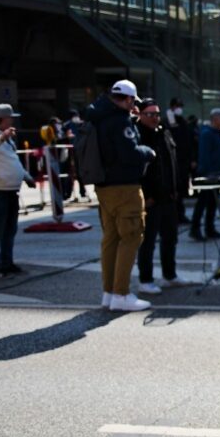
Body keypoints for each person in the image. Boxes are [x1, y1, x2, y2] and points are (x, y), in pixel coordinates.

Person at [86, 80, 156, 311]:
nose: (133, 106)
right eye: (132, 101)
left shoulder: (100, 115)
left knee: (111, 239)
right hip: (125, 186)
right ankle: (121, 294)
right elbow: (129, 153)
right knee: (131, 237)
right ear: (127, 99)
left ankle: (109, 292)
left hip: (104, 186)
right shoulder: (119, 121)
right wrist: (148, 152)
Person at [135, 98, 185, 294]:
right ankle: (145, 279)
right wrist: (145, 197)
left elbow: (172, 161)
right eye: (150, 114)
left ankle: (169, 274)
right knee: (147, 241)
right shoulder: (137, 135)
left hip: (168, 196)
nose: (155, 118)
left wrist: (176, 190)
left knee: (170, 238)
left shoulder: (163, 132)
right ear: (140, 114)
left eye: (157, 114)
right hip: (150, 199)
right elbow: (139, 170)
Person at [0, 104, 34, 278]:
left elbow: (12, 159)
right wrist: (2, 137)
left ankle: (6, 263)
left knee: (10, 229)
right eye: (9, 118)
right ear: (1, 120)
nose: (12, 120)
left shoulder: (4, 136)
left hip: (10, 190)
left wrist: (25, 176)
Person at [189, 107, 220, 241]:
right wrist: (207, 173)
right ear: (215, 119)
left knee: (213, 203)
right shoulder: (207, 134)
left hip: (218, 174)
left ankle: (209, 228)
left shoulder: (218, 134)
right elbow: (204, 155)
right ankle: (195, 229)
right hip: (209, 175)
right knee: (203, 202)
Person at [166, 98, 195, 224]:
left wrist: (192, 159)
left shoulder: (182, 121)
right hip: (173, 162)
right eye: (177, 106)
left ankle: (180, 214)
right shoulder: (167, 121)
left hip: (183, 162)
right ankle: (173, 216)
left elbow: (188, 141)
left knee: (182, 190)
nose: (179, 108)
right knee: (174, 190)